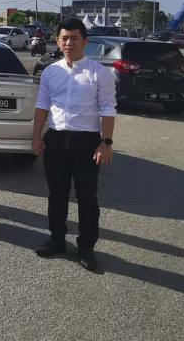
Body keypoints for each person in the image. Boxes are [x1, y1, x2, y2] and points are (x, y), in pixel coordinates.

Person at [31, 18, 116, 272]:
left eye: (74, 38)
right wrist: (36, 137)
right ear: (57, 42)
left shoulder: (99, 73)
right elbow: (42, 106)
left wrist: (106, 143)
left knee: (87, 197)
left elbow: (108, 109)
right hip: (56, 139)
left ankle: (86, 247)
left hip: (87, 142)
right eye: (64, 38)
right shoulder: (51, 72)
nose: (69, 43)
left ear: (85, 41)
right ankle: (57, 239)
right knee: (56, 195)